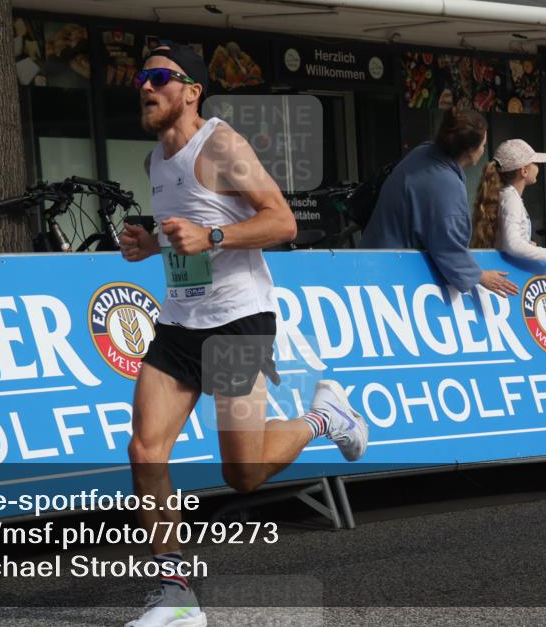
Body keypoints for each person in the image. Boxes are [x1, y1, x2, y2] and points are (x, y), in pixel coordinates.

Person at [118, 44, 369, 627]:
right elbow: (187, 230)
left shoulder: (221, 145)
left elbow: (282, 220)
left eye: (160, 77)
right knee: (146, 450)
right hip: (181, 322)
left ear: (191, 91)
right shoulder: (156, 162)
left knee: (243, 473)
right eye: (141, 78)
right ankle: (176, 594)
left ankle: (325, 419)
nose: (146, 87)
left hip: (237, 321)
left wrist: (210, 239)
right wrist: (152, 244)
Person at [359, 107, 519, 297]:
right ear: (469, 150)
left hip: (371, 259)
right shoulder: (446, 185)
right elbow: (448, 247)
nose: (484, 149)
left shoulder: (423, 152)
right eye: (483, 145)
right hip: (391, 275)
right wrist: (480, 276)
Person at [470, 139, 546, 264]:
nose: (538, 167)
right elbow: (513, 244)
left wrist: (529, 246)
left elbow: (506, 241)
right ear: (524, 171)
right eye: (534, 163)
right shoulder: (511, 199)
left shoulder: (504, 195)